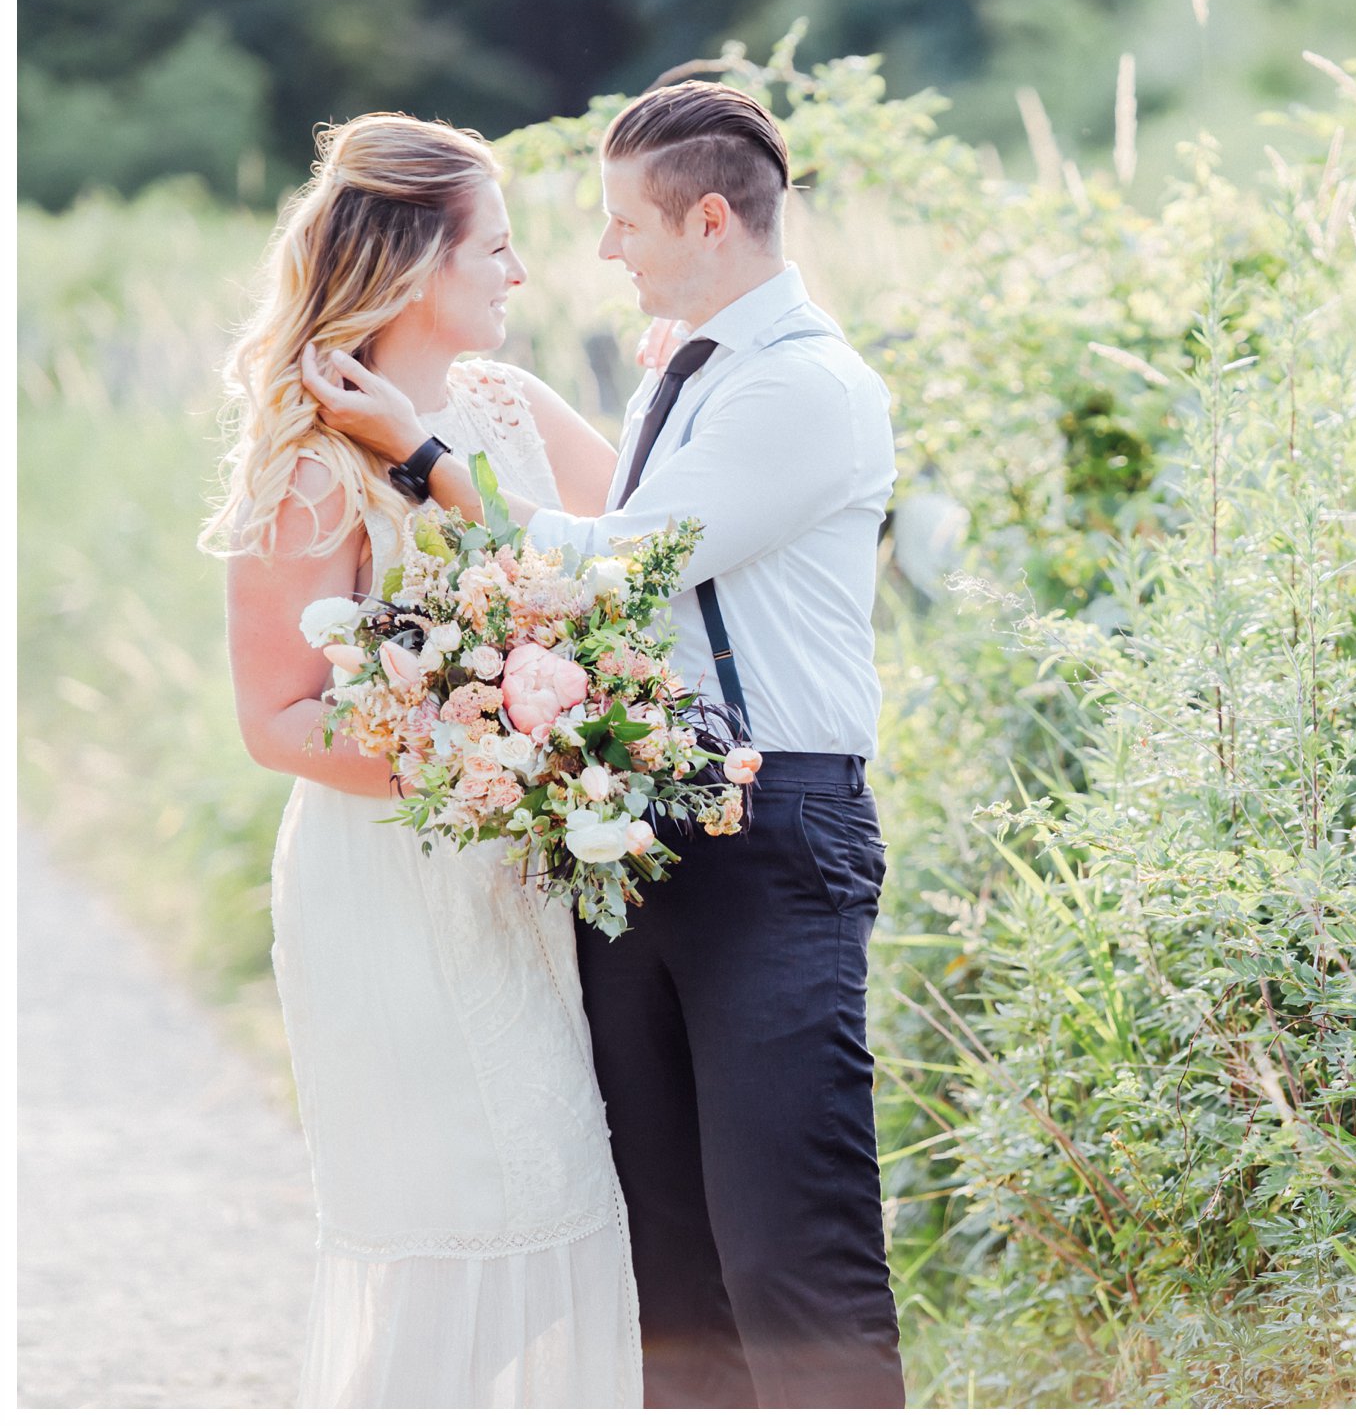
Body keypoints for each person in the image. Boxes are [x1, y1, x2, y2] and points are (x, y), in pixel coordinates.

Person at [304, 80, 904, 1409]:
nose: (605, 252)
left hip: (771, 831)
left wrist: (426, 461)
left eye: (626, 222)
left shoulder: (801, 390)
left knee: (791, 1261)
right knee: (673, 1279)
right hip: (640, 833)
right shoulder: (678, 378)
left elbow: (613, 571)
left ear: (707, 219)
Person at [205, 113, 640, 1406]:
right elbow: (275, 718)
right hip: (393, 885)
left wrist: (560, 731)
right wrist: (481, 750)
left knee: (575, 1195)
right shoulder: (308, 466)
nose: (519, 275)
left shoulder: (511, 406)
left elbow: (633, 577)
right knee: (470, 1213)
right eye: (494, 249)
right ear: (413, 270)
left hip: (527, 887)